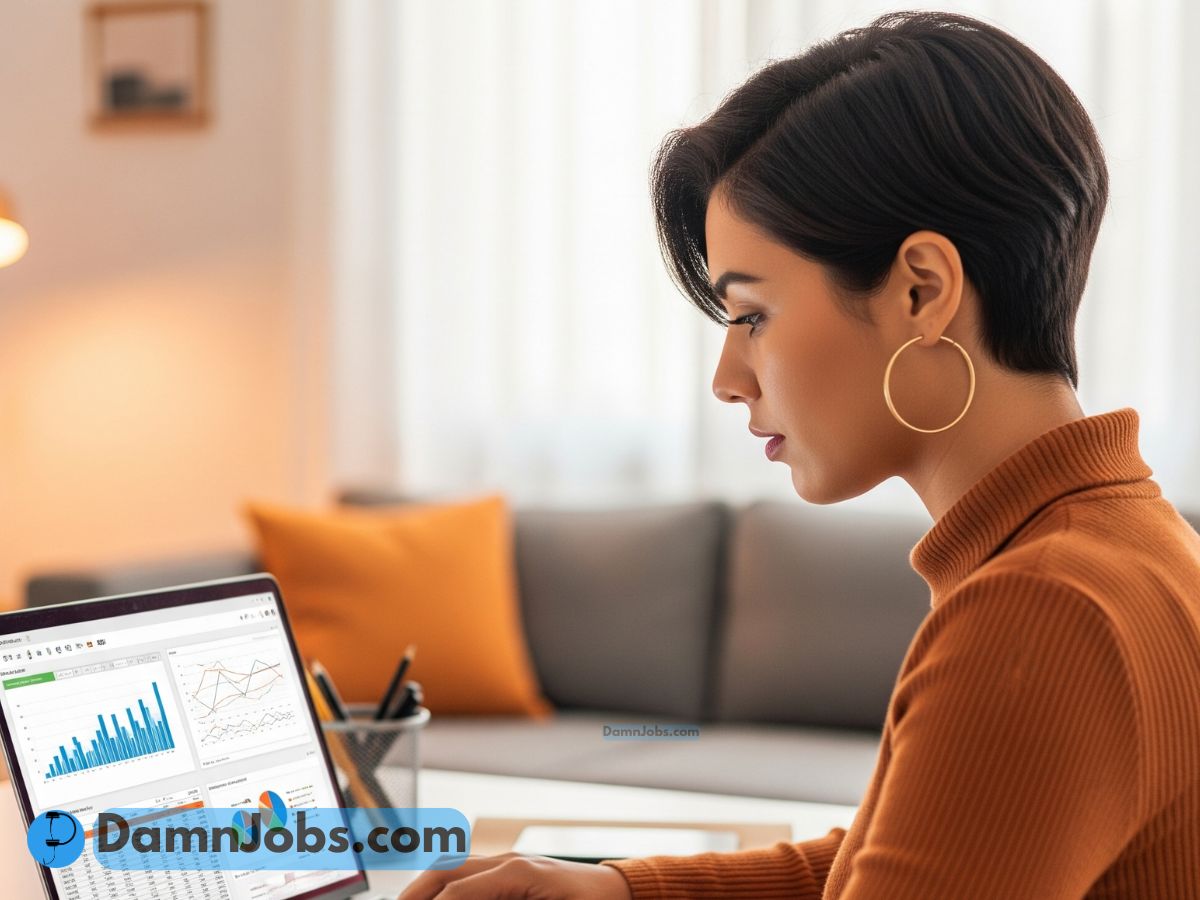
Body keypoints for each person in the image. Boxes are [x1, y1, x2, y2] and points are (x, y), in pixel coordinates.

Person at [400, 9, 1200, 899]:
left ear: (920, 291)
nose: (727, 377)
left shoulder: (1041, 614)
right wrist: (615, 891)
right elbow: (922, 849)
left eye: (752, 315)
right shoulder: (1126, 550)